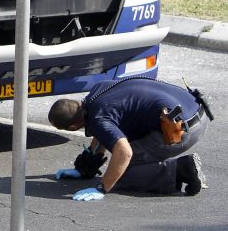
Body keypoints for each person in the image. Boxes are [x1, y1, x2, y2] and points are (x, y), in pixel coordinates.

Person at [49, 77, 211, 200]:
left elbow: (124, 152)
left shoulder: (98, 118)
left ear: (72, 127)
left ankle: (183, 170)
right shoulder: (97, 92)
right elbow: (103, 133)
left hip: (181, 131)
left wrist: (102, 188)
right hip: (197, 111)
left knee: (121, 172)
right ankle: (178, 169)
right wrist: (84, 169)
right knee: (119, 163)